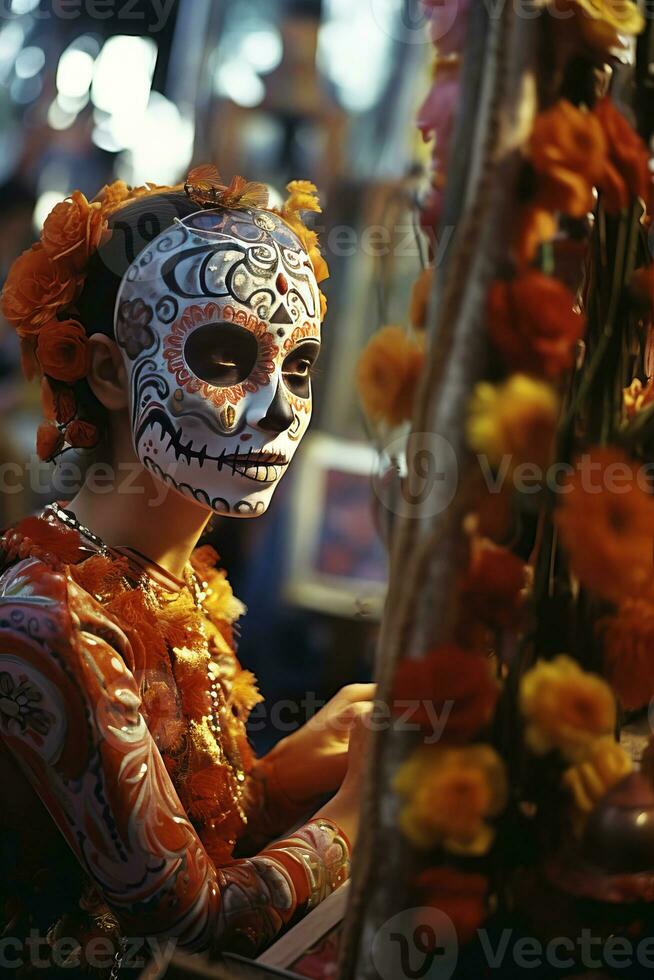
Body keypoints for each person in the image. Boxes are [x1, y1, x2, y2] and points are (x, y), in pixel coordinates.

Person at [0, 167, 373, 977]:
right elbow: (193, 922)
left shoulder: (180, 581)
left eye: (300, 366)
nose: (278, 405)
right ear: (105, 373)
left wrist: (284, 773)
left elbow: (188, 837)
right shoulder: (49, 619)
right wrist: (358, 814)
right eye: (225, 354)